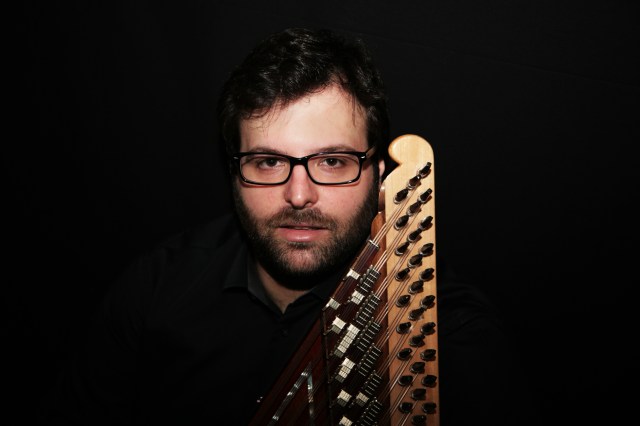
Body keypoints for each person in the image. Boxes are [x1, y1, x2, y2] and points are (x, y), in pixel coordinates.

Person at [37, 27, 538, 425]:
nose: (299, 195)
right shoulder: (156, 291)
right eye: (269, 162)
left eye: (333, 162)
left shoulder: (445, 337)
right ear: (234, 172)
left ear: (379, 174)